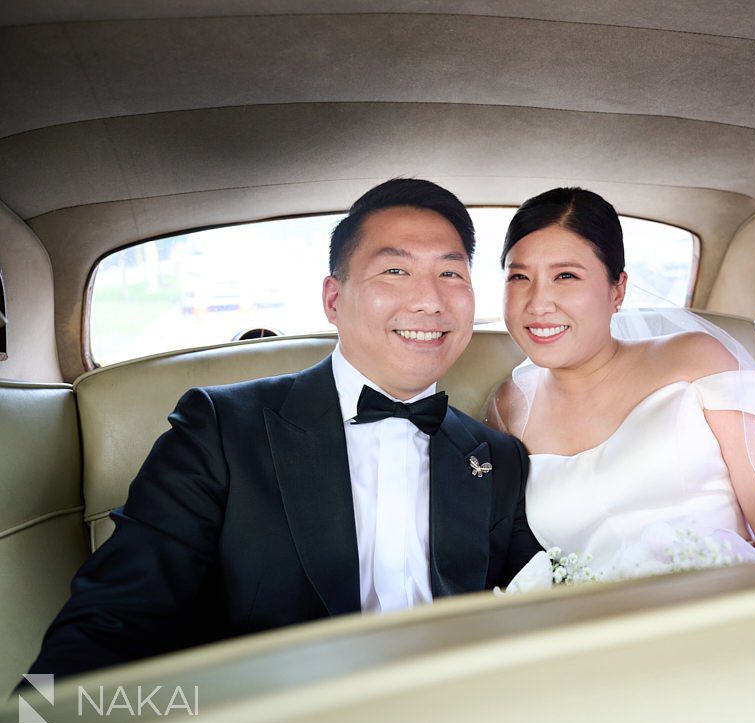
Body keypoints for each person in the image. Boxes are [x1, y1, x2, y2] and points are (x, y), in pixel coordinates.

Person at [25, 179, 540, 680]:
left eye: (451, 275)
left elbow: (538, 613)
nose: (429, 301)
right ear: (334, 300)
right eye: (395, 271)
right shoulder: (221, 429)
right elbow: (114, 617)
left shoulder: (497, 457)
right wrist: (37, 721)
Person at [486, 187, 755, 588]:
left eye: (565, 276)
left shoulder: (697, 358)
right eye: (519, 277)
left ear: (618, 289)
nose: (538, 303)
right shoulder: (508, 408)